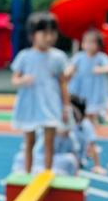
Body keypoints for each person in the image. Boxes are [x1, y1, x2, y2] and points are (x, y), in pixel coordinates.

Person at [10, 11, 69, 173]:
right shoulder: (24, 56)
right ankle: (27, 173)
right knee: (29, 141)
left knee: (49, 142)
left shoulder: (59, 57)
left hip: (51, 103)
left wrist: (66, 106)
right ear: (32, 35)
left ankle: (47, 173)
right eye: (44, 33)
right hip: (30, 103)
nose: (49, 37)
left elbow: (62, 83)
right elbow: (14, 79)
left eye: (52, 32)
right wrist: (22, 80)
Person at [67, 29, 108, 123]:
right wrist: (67, 73)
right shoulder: (79, 56)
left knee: (91, 109)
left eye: (92, 42)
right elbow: (70, 68)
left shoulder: (100, 57)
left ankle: (97, 117)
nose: (89, 45)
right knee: (78, 108)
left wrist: (100, 69)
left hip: (94, 87)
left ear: (98, 45)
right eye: (86, 42)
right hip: (80, 87)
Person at [70, 94, 106, 173]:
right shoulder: (67, 121)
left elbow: (92, 144)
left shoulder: (85, 125)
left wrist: (97, 166)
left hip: (76, 158)